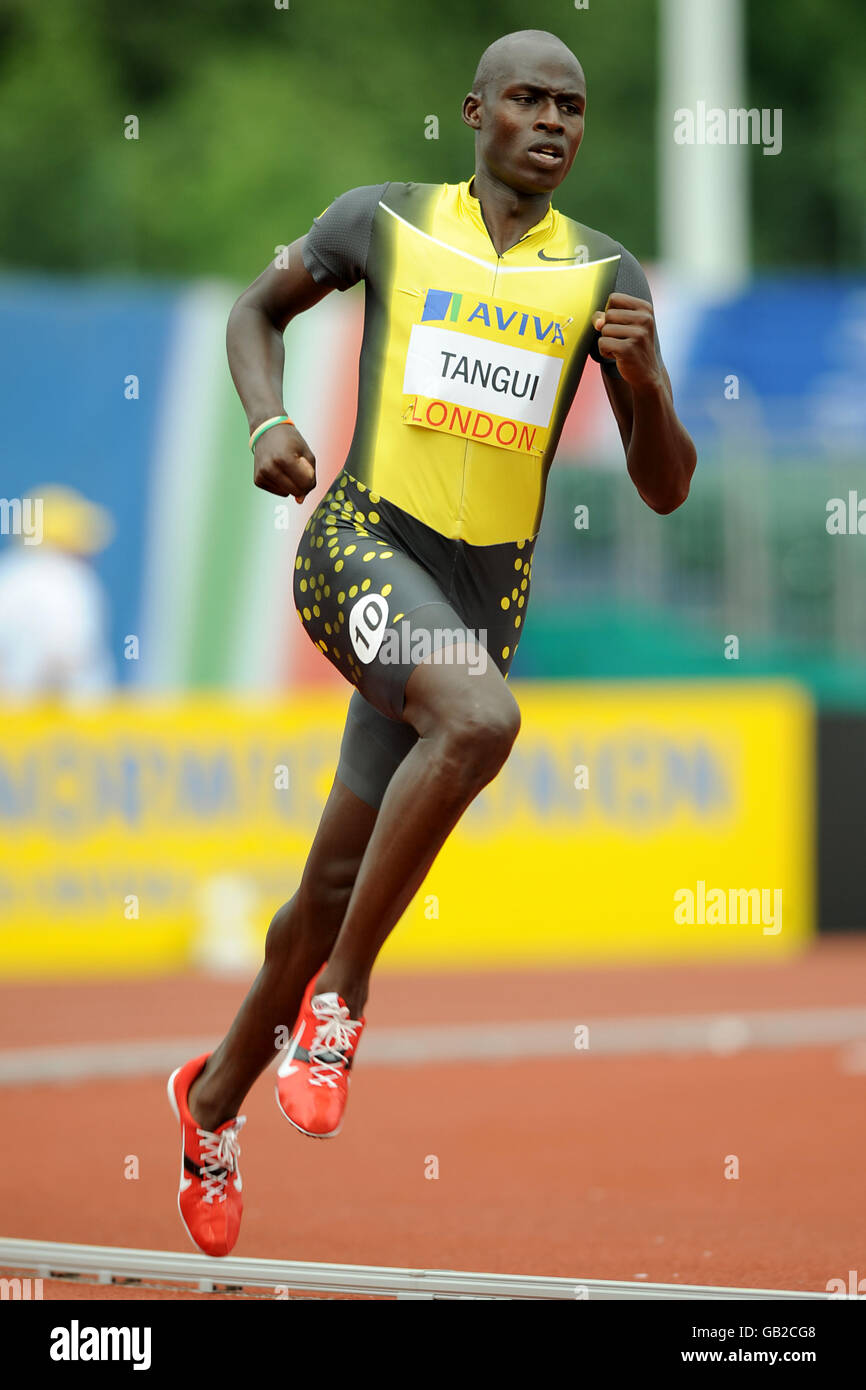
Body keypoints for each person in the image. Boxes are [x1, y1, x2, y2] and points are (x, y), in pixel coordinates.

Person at [167, 27, 697, 1257]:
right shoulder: (382, 222)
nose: (553, 122)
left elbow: (662, 487)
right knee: (480, 722)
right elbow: (254, 313)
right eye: (527, 100)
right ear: (474, 112)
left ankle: (206, 1103)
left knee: (323, 895)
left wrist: (654, 386)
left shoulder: (606, 278)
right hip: (354, 543)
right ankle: (342, 1004)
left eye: (572, 106)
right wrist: (266, 423)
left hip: (471, 611)